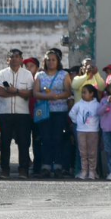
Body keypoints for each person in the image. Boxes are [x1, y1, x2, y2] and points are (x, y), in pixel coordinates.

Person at [33, 50, 70, 178]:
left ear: (58, 61)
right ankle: (46, 166)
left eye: (53, 59)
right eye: (48, 60)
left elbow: (68, 92)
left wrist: (57, 96)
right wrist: (47, 96)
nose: (51, 62)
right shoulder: (40, 75)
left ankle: (58, 166)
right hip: (45, 112)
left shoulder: (64, 74)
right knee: (45, 138)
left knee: (58, 138)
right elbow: (35, 93)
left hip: (59, 111)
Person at [0, 49, 34, 179]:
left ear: (21, 59)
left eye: (17, 56)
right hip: (5, 113)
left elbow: (30, 93)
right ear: (7, 60)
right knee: (5, 142)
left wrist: (15, 90)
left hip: (22, 114)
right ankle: (5, 169)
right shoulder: (2, 74)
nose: (14, 59)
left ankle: (23, 170)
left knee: (24, 142)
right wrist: (17, 93)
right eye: (11, 57)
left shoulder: (27, 74)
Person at [69, 84, 101, 180]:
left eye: (85, 92)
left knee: (92, 152)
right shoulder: (79, 104)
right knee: (83, 152)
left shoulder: (97, 105)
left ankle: (92, 171)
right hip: (81, 131)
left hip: (93, 131)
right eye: (82, 93)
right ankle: (84, 171)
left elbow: (100, 115)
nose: (82, 94)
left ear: (91, 94)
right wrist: (78, 122)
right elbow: (71, 113)